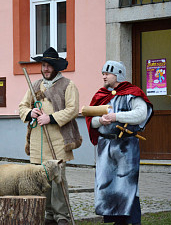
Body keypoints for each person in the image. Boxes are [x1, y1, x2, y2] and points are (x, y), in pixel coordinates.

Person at [19, 47, 82, 225]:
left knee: (57, 181)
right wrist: (31, 112)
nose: (46, 69)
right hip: (38, 142)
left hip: (58, 141)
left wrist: (51, 118)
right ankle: (48, 215)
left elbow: (72, 109)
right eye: (44, 65)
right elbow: (22, 106)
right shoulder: (35, 86)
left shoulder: (68, 85)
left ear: (56, 67)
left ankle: (62, 216)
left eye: (49, 66)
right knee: (42, 180)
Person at [85, 61, 153, 225]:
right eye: (103, 73)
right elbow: (91, 119)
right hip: (106, 146)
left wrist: (116, 117)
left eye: (107, 73)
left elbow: (140, 114)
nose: (104, 76)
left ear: (118, 74)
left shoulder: (132, 93)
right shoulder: (101, 95)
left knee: (127, 185)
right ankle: (118, 221)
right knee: (107, 184)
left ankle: (133, 221)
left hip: (126, 146)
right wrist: (100, 120)